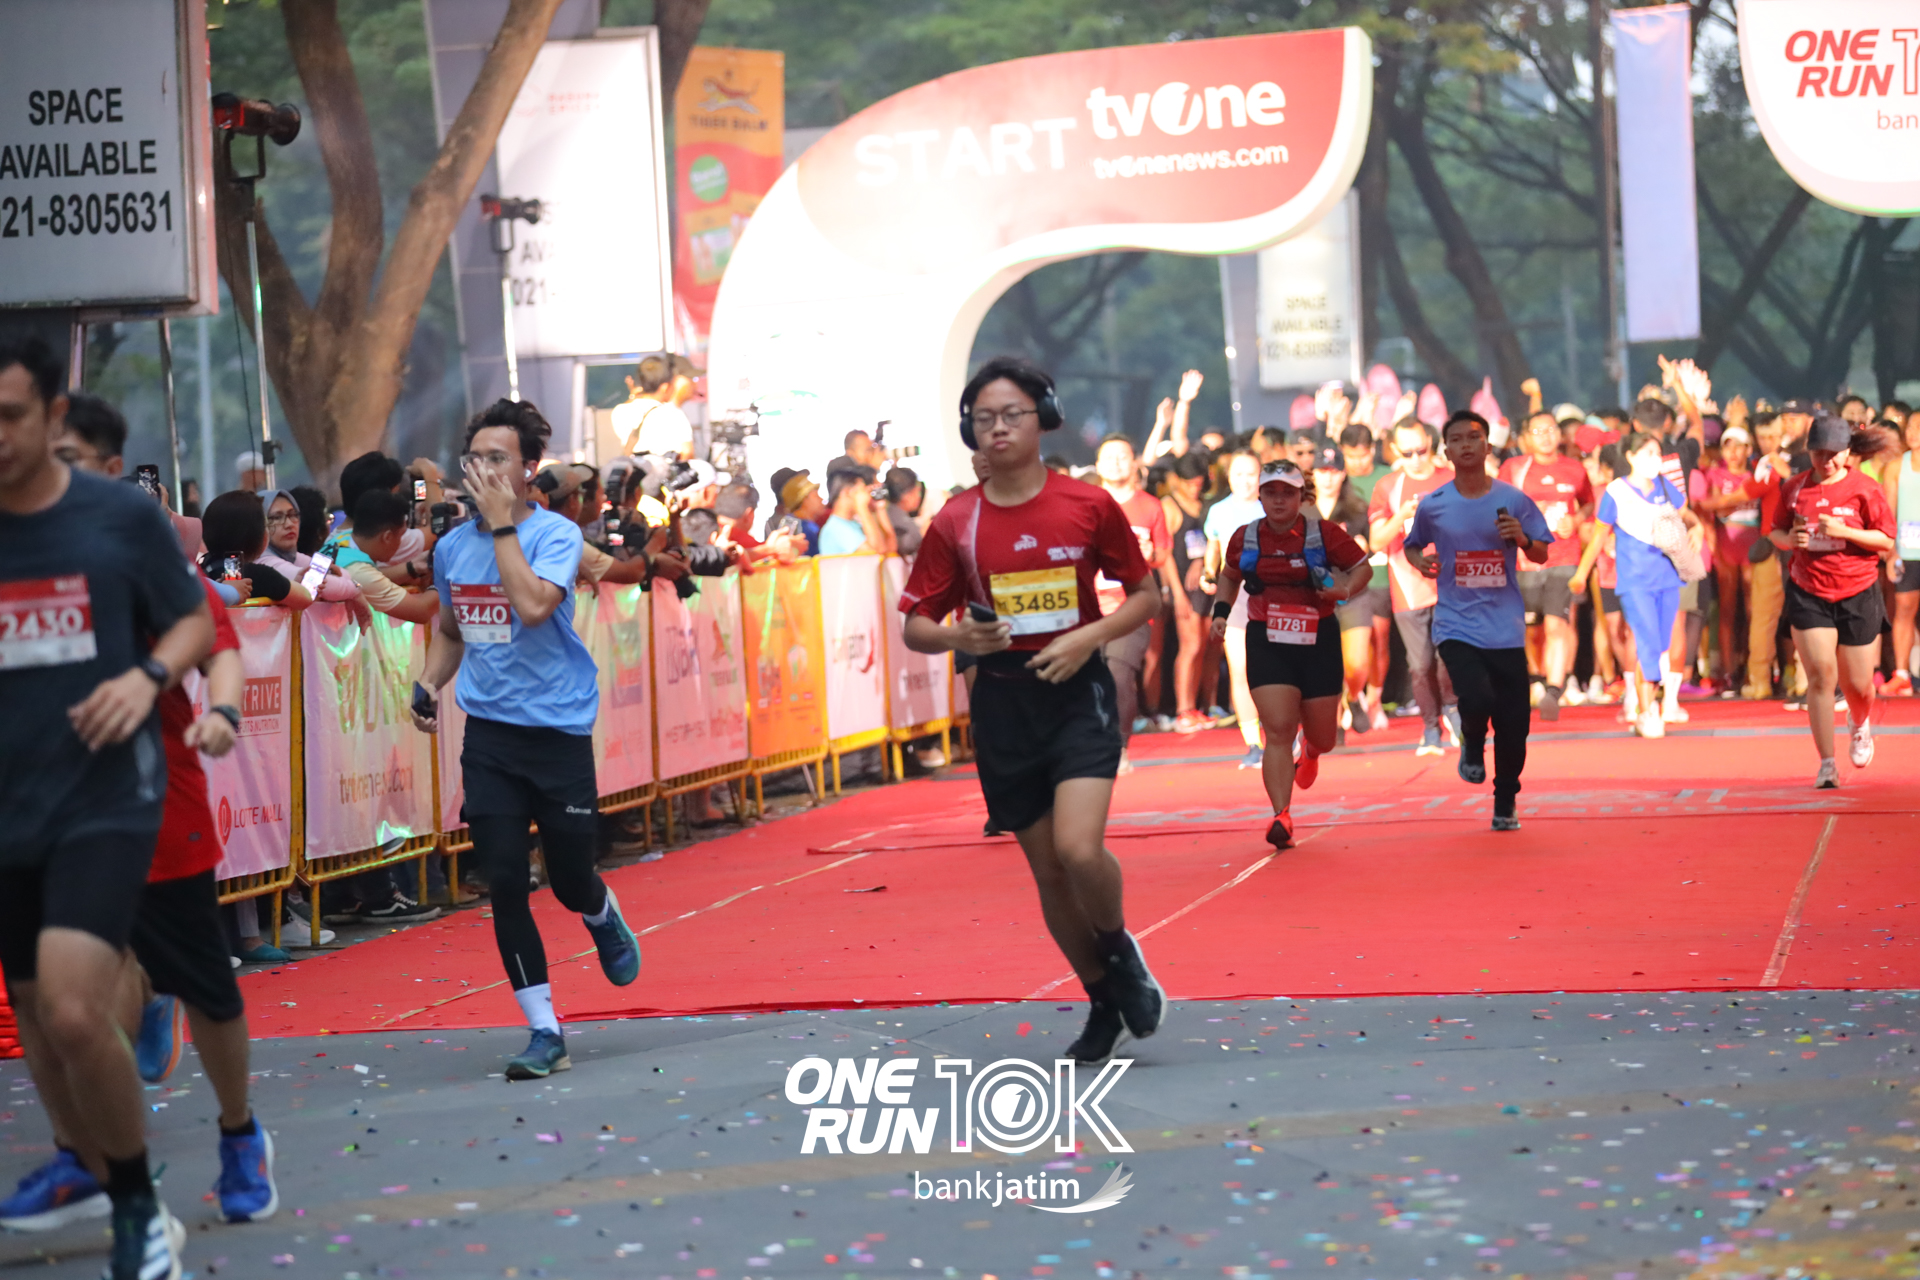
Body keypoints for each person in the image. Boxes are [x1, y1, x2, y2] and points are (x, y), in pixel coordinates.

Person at [0, 336, 215, 1278]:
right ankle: (86, 1168)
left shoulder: (118, 517)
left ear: (54, 416)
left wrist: (147, 676)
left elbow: (196, 619)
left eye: (10, 416)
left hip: (104, 795)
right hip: (10, 805)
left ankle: (135, 1204)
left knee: (75, 1008)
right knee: (37, 1012)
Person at [898, 355, 1162, 1065]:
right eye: (984, 418)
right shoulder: (957, 519)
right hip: (1003, 704)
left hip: (1078, 692)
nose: (998, 428)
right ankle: (1102, 998)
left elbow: (1146, 596)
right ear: (969, 431)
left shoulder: (1087, 504)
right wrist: (957, 637)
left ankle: (1119, 952)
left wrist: (1087, 638)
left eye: (1012, 414)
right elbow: (916, 624)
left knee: (1079, 849)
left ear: (1042, 419)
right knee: (1048, 872)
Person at [412, 399, 642, 1080]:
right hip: (490, 738)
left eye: (498, 458)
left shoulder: (555, 536)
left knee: (568, 880)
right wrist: (428, 683)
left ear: (528, 470)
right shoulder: (452, 549)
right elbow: (451, 629)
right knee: (506, 880)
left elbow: (536, 605)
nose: (483, 470)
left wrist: (503, 529)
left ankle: (599, 911)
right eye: (475, 458)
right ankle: (544, 1029)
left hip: (558, 732)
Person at [1402, 412, 1554, 831]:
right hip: (1456, 623)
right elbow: (1412, 545)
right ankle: (1472, 740)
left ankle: (1505, 801)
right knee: (1476, 694)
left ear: (1488, 446)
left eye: (1474, 438)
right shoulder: (1434, 504)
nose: (1466, 445)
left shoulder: (1514, 500)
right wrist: (1421, 562)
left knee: (1513, 723)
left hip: (1505, 627)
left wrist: (1521, 538)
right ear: (1446, 451)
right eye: (1457, 439)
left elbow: (1541, 552)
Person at [1210, 461, 1370, 848]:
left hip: (1318, 640)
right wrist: (1220, 612)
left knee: (1324, 737)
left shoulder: (1323, 533)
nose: (1279, 500)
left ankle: (1311, 752)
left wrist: (1343, 589)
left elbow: (1361, 568)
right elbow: (1229, 575)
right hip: (1267, 639)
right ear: (1260, 496)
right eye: (1271, 492)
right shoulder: (1245, 537)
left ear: (1302, 495)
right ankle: (1281, 815)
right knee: (1278, 728)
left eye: (1288, 493)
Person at [1769, 415, 1896, 786]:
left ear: (1848, 452)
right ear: (1808, 450)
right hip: (1808, 591)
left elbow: (1886, 540)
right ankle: (1827, 764)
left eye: (1834, 453)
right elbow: (1776, 531)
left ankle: (1860, 721)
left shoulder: (1865, 488)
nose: (1826, 461)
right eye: (1818, 453)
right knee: (1822, 675)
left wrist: (1844, 531)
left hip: (1858, 590)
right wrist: (1790, 541)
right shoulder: (1794, 488)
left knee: (1859, 686)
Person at [1571, 432, 1706, 738]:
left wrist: (1697, 528)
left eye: (1657, 453)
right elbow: (1599, 536)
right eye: (1647, 453)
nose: (1654, 460)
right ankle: (1646, 711)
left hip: (1667, 578)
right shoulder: (1617, 492)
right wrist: (1581, 574)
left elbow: (1686, 514)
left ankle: (1649, 704)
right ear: (1630, 457)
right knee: (1647, 642)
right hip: (1635, 581)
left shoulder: (1664, 487)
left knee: (1661, 646)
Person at [1368, 418, 1459, 755]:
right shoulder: (1388, 487)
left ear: (1431, 443)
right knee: (1420, 664)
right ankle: (1431, 728)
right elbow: (1376, 541)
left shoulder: (1451, 477)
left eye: (1421, 450)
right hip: (1408, 587)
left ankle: (1454, 709)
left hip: (1452, 583)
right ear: (1395, 450)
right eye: (1407, 453)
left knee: (1450, 655)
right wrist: (1402, 515)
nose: (1417, 458)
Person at [1497, 410, 1594, 720]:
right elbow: (1496, 506)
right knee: (1529, 629)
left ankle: (1554, 689)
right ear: (1526, 438)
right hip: (1524, 561)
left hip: (1563, 558)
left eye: (1551, 429)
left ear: (1560, 434)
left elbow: (1589, 503)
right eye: (1538, 432)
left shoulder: (1575, 469)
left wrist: (1576, 520)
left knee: (1557, 624)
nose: (1546, 436)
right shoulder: (1514, 469)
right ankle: (1536, 680)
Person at [1093, 433, 1170, 763]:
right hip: (1088, 607)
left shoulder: (1150, 506)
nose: (1115, 463)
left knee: (1119, 672)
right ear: (1098, 465)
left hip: (1133, 605)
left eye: (1122, 456)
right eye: (1109, 457)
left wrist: (1150, 554)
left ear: (1135, 463)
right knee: (1092, 678)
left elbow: (1163, 554)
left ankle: (1119, 748)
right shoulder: (1086, 503)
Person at [1200, 451, 1266, 766]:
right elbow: (1213, 547)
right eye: (1238, 474)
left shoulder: (1272, 507)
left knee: (1276, 666)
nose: (1245, 481)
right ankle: (1253, 742)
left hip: (1273, 594)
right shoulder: (1218, 511)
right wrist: (1208, 572)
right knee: (1240, 669)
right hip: (1235, 595)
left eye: (1251, 474)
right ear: (1228, 477)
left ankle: (1285, 732)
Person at [1310, 446, 1379, 733]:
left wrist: (1364, 549)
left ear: (1343, 474)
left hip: (1352, 593)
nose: (1328, 478)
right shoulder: (1300, 511)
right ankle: (1334, 722)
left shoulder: (1357, 509)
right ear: (1312, 474)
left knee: (1356, 663)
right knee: (1324, 664)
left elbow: (1371, 548)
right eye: (1322, 471)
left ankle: (1353, 697)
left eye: (1334, 471)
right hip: (1314, 598)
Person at [1337, 425, 1394, 729]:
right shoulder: (1335, 480)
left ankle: (1375, 700)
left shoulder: (1388, 477)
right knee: (1349, 644)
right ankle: (1351, 697)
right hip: (1345, 578)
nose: (1357, 463)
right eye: (1350, 456)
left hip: (1380, 571)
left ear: (1373, 450)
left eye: (1362, 456)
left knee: (1379, 637)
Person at [1160, 451, 1213, 732]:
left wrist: (1202, 561)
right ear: (1177, 480)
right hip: (1182, 585)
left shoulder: (1204, 504)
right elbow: (1165, 555)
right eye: (1189, 483)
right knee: (1189, 646)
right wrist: (1175, 592)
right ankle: (1182, 709)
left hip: (1204, 583)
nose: (1194, 488)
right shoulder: (1169, 506)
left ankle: (1194, 706)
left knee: (1202, 646)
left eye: (1198, 483)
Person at [198, 490, 313, 611]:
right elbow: (305, 598)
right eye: (267, 524)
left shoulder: (199, 570)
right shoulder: (259, 576)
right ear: (257, 535)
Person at [1887, 409, 1920, 696]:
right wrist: (1891, 553)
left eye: (1918, 427)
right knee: (1904, 609)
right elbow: (1888, 514)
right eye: (1909, 427)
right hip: (1907, 551)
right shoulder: (1896, 467)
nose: (1911, 433)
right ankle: (1902, 674)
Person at [612, 353, 696, 459]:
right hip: (665, 467)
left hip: (636, 468)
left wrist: (633, 395)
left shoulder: (620, 411)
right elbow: (687, 452)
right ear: (665, 387)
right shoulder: (673, 413)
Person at [817, 469, 897, 556]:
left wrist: (880, 508)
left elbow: (890, 548)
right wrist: (862, 507)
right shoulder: (836, 528)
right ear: (847, 492)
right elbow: (875, 552)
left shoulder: (852, 524)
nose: (867, 495)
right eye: (862, 490)